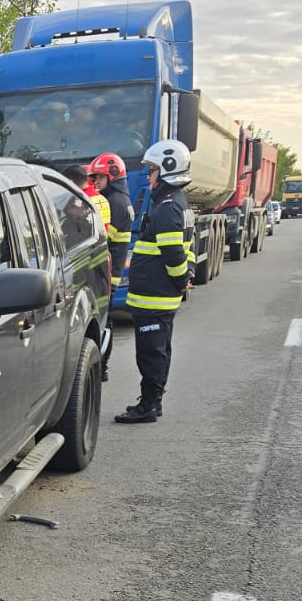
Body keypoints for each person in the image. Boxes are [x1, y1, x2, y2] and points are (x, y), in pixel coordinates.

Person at [115, 139, 195, 425]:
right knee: (158, 351)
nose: (148, 176)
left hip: (154, 299)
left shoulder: (167, 208)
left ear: (167, 169)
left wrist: (181, 279)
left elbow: (174, 254)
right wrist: (187, 274)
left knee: (151, 354)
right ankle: (153, 402)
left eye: (151, 171)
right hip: (157, 298)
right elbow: (188, 249)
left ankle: (149, 405)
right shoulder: (176, 204)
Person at [87, 152, 135, 292]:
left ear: (113, 176)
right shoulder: (121, 199)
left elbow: (103, 238)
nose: (96, 181)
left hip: (107, 274)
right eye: (95, 177)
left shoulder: (114, 202)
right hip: (112, 271)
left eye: (101, 177)